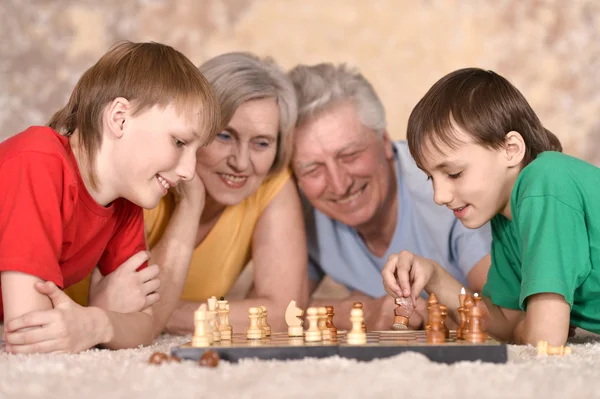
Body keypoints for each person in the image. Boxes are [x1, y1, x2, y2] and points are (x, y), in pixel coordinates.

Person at [0, 41, 220, 354]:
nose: (189, 171)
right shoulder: (37, 160)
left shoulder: (127, 202)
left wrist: (97, 321)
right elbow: (31, 334)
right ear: (119, 118)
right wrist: (106, 312)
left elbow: (145, 324)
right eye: (179, 141)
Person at [382, 67, 600, 346]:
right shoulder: (507, 216)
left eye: (454, 173)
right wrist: (433, 277)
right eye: (430, 177)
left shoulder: (546, 183)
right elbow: (505, 323)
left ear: (511, 149)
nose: (439, 196)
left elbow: (545, 341)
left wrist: (529, 328)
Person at [288, 63, 492, 330]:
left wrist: (350, 309)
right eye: (312, 169)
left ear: (385, 141)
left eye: (350, 156)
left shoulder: (446, 188)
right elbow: (278, 309)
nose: (339, 185)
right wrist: (363, 311)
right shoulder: (300, 209)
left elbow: (501, 313)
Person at [142, 52, 308, 333]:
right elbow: (125, 308)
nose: (241, 162)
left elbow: (284, 313)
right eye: (225, 136)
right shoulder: (144, 179)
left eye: (261, 143)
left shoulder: (270, 183)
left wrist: (162, 315)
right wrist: (190, 204)